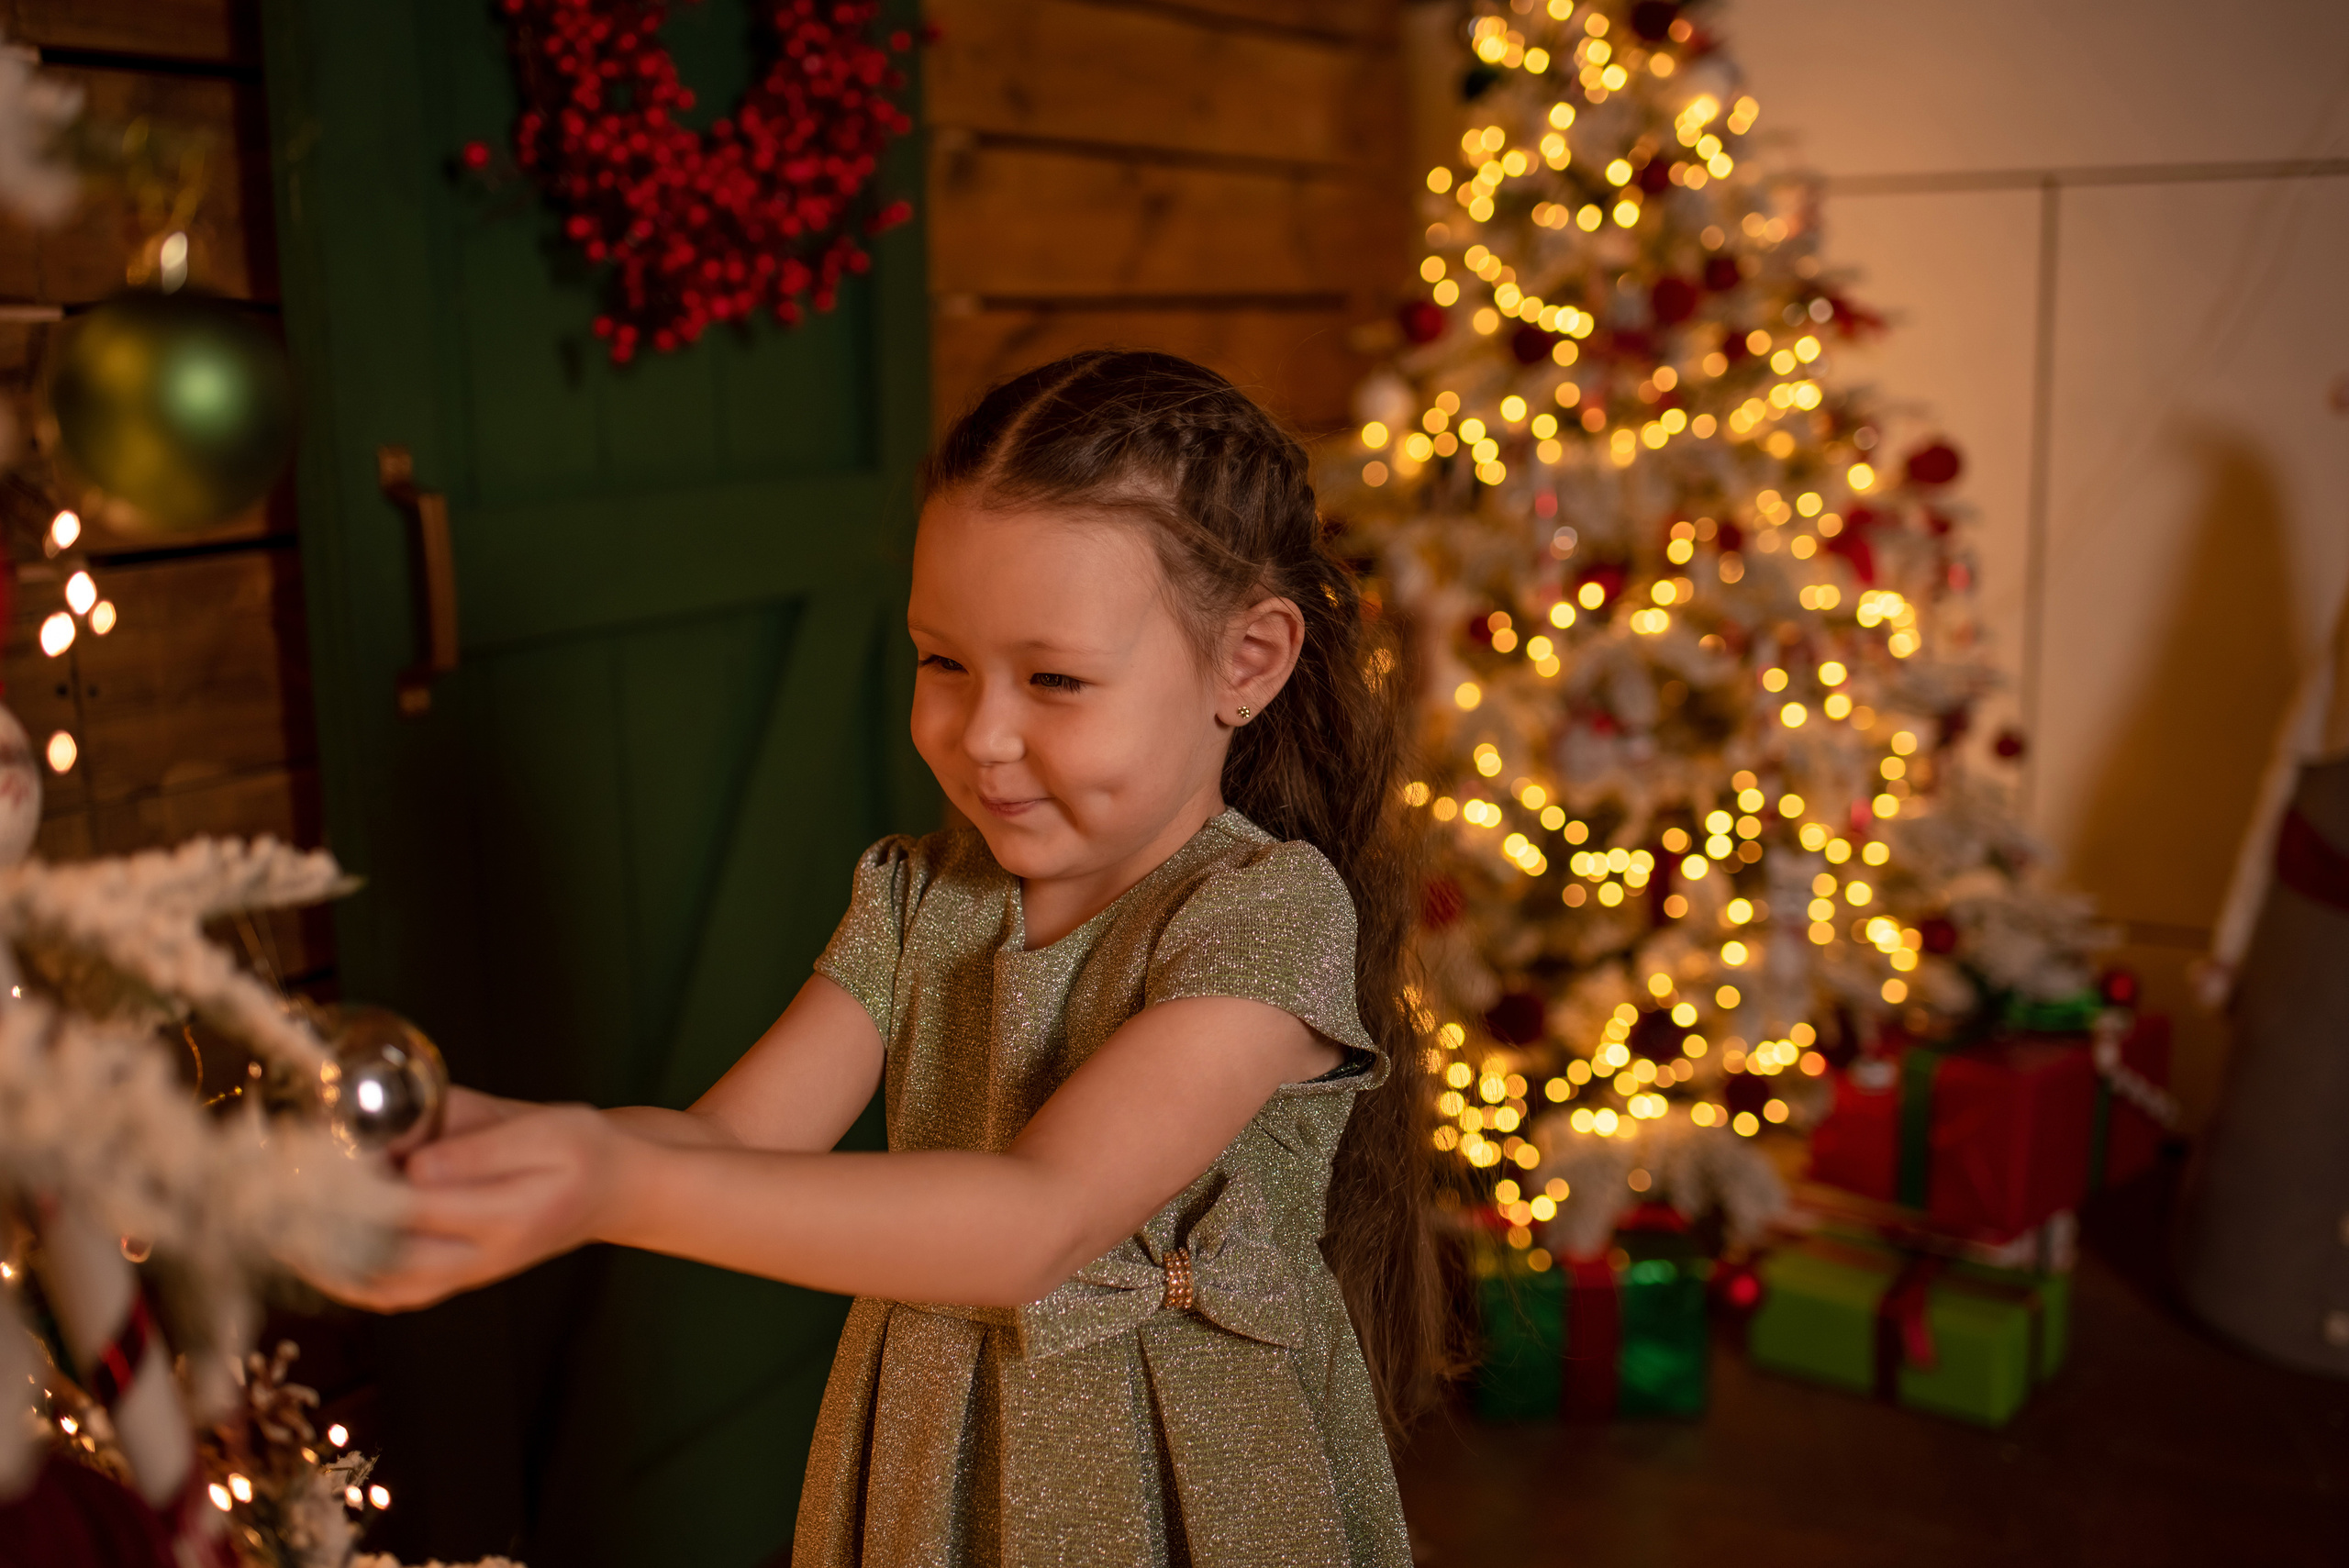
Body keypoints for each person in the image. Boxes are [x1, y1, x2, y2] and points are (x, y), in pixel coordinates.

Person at [338, 350, 1445, 1565]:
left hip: (1183, 1493)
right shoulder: (919, 900)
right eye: (941, 660)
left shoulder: (1262, 918)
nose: (981, 735)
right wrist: (508, 1143)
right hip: (936, 1467)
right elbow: (733, 1144)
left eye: (1057, 679)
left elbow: (1039, 1219)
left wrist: (610, 1179)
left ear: (1247, 663)